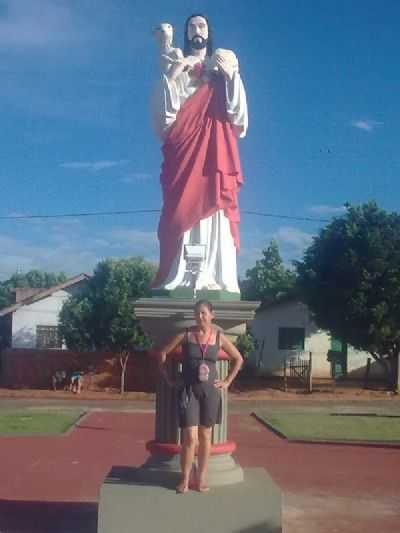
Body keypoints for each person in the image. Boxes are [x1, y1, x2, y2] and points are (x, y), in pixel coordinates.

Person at [152, 14, 248, 294]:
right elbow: (165, 114)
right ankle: (180, 275)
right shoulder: (180, 64)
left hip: (215, 149)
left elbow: (239, 116)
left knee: (215, 202)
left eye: (202, 26)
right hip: (184, 148)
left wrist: (229, 75)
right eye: (192, 26)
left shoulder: (223, 64)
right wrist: (175, 70)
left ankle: (214, 274)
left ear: (209, 32)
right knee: (178, 206)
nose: (197, 30)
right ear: (186, 33)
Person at [158, 300, 243, 493]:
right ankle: (185, 479)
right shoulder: (186, 335)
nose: (200, 317)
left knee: (206, 436)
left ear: (212, 315)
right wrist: (168, 379)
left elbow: (238, 358)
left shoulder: (219, 337)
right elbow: (162, 353)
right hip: (189, 391)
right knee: (189, 437)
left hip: (210, 393)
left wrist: (227, 382)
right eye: (197, 313)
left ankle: (202, 478)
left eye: (204, 313)